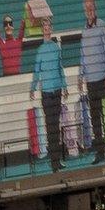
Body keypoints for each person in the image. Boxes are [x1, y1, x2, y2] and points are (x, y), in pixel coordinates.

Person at [79, 0, 105, 164]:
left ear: (95, 8)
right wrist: (80, 76)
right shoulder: (84, 30)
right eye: (87, 9)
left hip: (101, 79)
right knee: (95, 121)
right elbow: (83, 56)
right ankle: (100, 153)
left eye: (91, 8)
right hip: (90, 81)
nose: (89, 11)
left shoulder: (102, 26)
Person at [33, 14, 65, 172]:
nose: (47, 31)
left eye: (48, 28)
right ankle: (54, 162)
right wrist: (33, 88)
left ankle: (57, 161)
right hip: (46, 92)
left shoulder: (56, 48)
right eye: (44, 28)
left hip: (57, 90)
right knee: (50, 127)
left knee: (56, 127)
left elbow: (60, 69)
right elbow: (36, 71)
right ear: (42, 31)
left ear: (51, 30)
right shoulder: (40, 50)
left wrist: (64, 86)